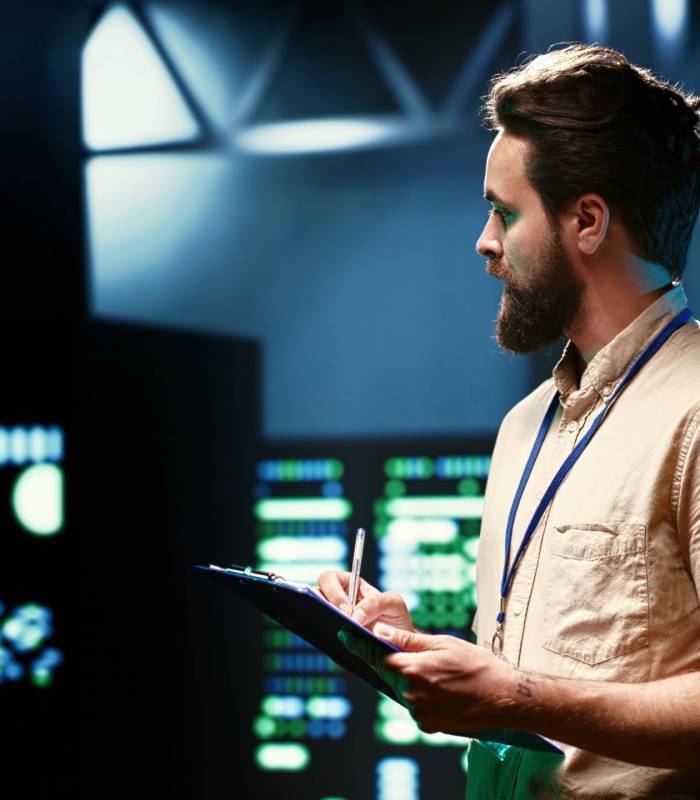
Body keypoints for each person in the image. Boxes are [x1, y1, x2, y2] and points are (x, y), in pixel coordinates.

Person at [318, 45, 700, 799]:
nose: (485, 241)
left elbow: (528, 698)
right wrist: (412, 647)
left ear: (587, 221)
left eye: (504, 212)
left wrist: (521, 698)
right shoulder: (524, 426)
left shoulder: (692, 412)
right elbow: (526, 681)